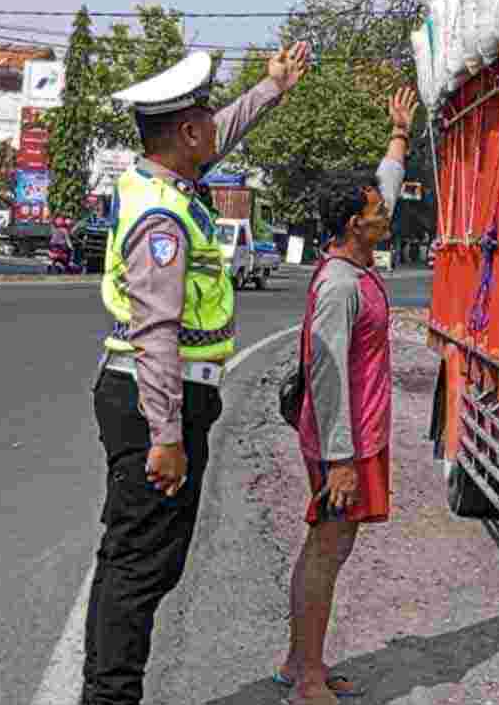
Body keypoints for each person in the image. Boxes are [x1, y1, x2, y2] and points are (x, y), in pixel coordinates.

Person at [81, 43, 311, 705]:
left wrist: (271, 89)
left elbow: (223, 131)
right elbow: (156, 334)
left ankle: (103, 692)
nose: (216, 125)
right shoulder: (163, 217)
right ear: (185, 133)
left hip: (152, 394)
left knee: (133, 558)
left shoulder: (161, 182)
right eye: (205, 118)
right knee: (141, 564)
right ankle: (109, 698)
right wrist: (167, 434)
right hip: (156, 398)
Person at [278, 87, 416, 705]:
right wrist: (339, 460)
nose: (388, 213)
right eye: (376, 211)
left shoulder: (357, 262)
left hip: (357, 438)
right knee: (327, 549)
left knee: (335, 547)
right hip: (343, 442)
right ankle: (305, 677)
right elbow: (327, 374)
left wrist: (399, 135)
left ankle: (301, 660)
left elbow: (384, 186)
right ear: (353, 225)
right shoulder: (339, 285)